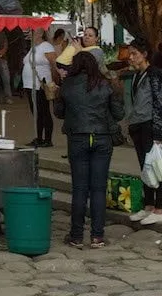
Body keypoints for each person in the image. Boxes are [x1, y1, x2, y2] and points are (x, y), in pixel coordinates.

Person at [53, 51, 124, 249]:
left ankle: (76, 235)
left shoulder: (67, 86)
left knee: (79, 188)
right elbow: (119, 114)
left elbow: (59, 113)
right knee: (99, 189)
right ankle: (97, 236)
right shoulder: (105, 85)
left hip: (77, 139)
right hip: (102, 138)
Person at [126, 39, 162, 225]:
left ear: (144, 54)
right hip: (138, 124)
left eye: (134, 53)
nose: (131, 57)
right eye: (130, 53)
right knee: (145, 166)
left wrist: (158, 133)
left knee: (156, 166)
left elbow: (159, 104)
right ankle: (149, 205)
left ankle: (160, 207)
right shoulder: (137, 75)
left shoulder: (154, 74)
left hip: (150, 125)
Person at [23, 29, 58, 148]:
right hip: (29, 84)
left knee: (43, 111)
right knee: (36, 112)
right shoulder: (33, 47)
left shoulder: (46, 46)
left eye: (32, 31)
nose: (30, 33)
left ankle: (47, 139)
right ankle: (38, 137)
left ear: (40, 33)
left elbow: (54, 64)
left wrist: (53, 81)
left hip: (41, 84)